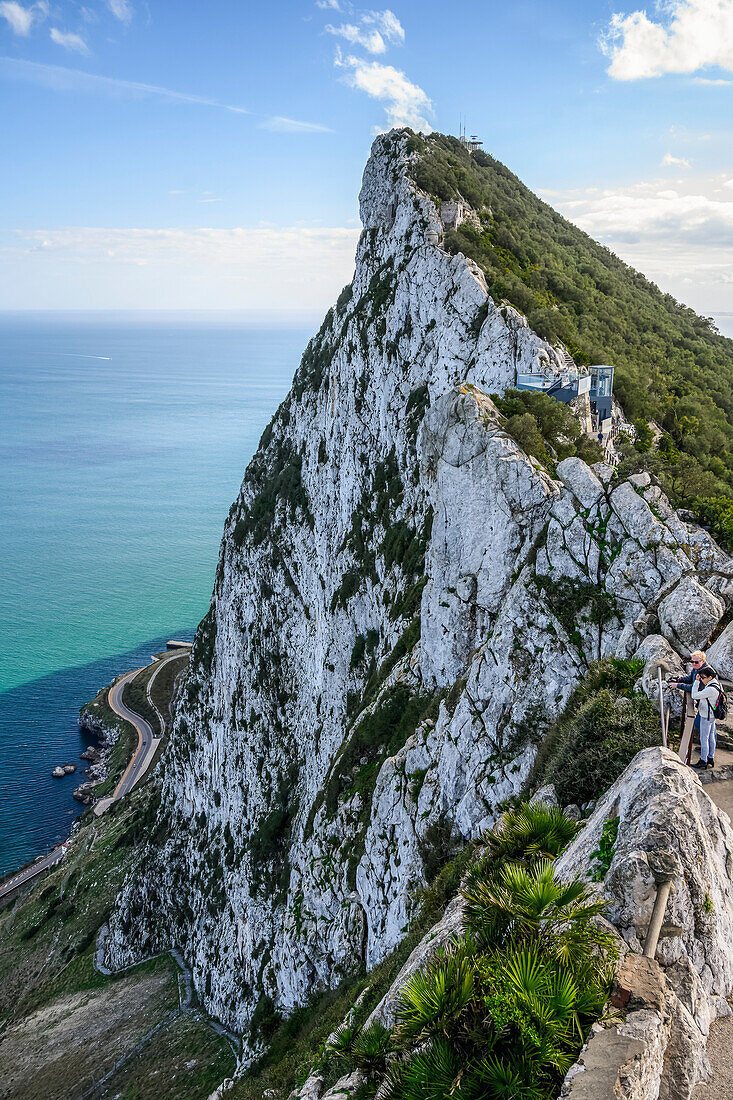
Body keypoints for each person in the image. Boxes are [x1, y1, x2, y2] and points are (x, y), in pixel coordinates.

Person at [668, 650, 710, 737]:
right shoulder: (697, 669)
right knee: (707, 728)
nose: (693, 664)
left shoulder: (705, 673)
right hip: (703, 702)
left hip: (708, 704)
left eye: (696, 662)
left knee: (701, 725)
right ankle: (707, 748)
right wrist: (679, 679)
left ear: (703, 661)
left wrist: (678, 685)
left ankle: (707, 749)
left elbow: (694, 687)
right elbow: (690, 678)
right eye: (692, 662)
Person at [691, 665, 720, 769]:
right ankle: (710, 758)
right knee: (711, 737)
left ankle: (703, 760)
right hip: (712, 716)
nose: (702, 679)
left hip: (706, 716)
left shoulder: (710, 689)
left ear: (710, 677)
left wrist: (696, 682)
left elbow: (694, 695)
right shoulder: (717, 684)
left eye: (703, 677)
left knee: (704, 738)